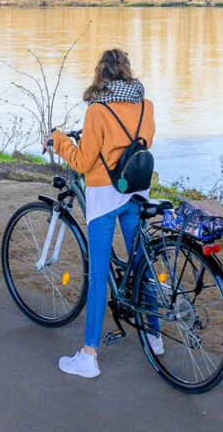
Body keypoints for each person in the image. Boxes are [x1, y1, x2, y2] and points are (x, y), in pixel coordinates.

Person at [44, 48, 159, 380]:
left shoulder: (98, 110)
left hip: (106, 198)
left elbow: (82, 162)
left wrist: (59, 141)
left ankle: (89, 356)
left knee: (98, 277)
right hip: (136, 191)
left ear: (101, 75)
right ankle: (154, 336)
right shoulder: (146, 105)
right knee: (140, 264)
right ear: (127, 71)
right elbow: (143, 142)